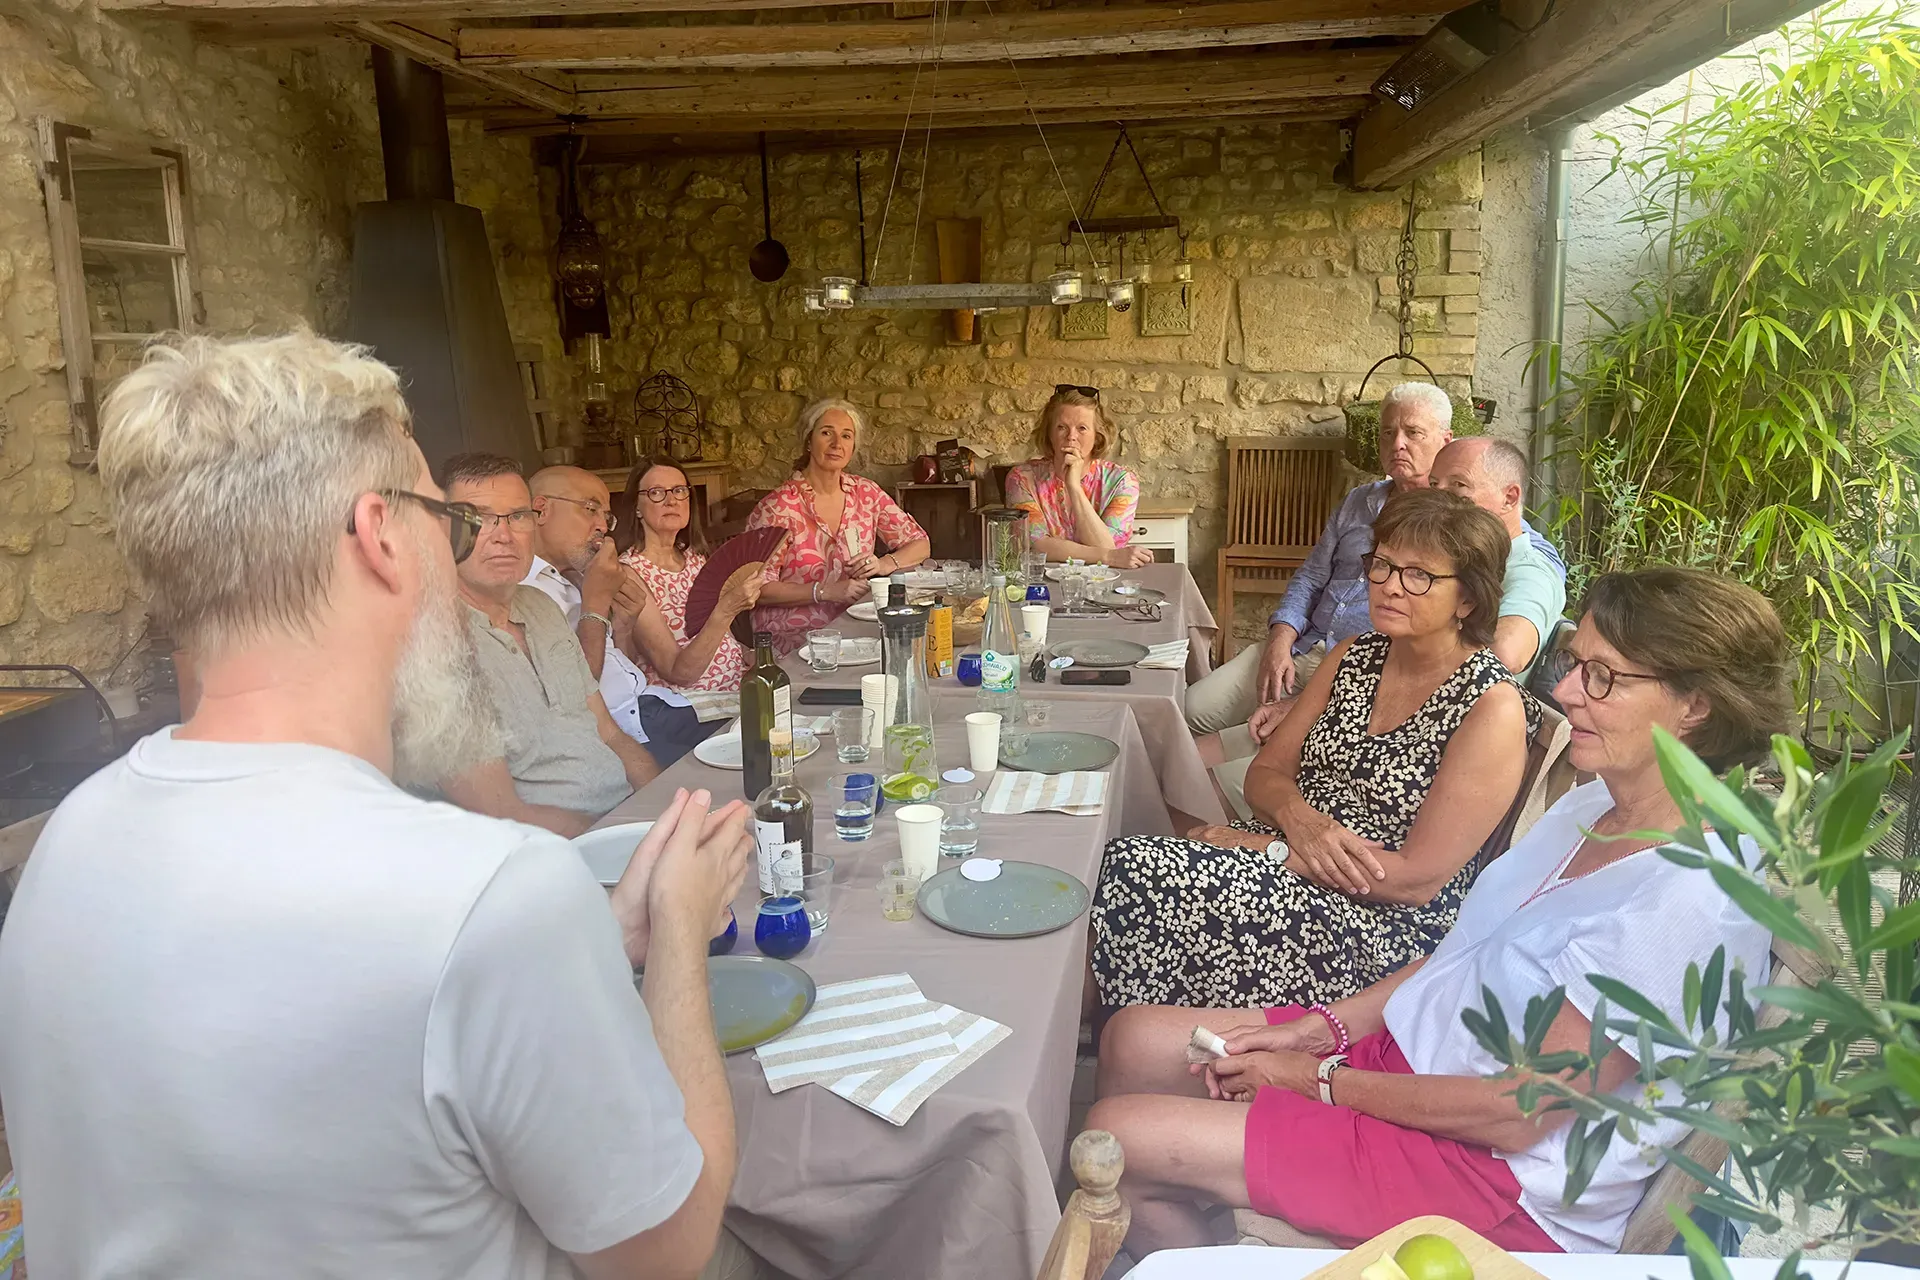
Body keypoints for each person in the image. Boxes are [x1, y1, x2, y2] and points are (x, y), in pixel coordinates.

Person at [0, 332, 753, 1278]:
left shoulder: (64, 849)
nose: (463, 546)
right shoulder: (494, 893)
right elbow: (666, 1251)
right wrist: (680, 933)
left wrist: (599, 932)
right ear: (380, 536)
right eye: (443, 513)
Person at [1085, 566, 1792, 1257]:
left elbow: (1516, 1114)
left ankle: (1236, 1242)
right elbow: (1465, 950)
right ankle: (1222, 1226)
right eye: (1576, 665)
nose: (1567, 692)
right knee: (1133, 1038)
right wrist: (1320, 1029)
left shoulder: (1691, 898)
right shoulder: (1595, 803)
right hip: (1409, 1065)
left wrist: (1321, 1082)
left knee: (1120, 1138)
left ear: (1695, 706)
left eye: (1603, 677)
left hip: (1493, 1177)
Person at [1091, 489, 1536, 1012]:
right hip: (1289, 863)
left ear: (1468, 599)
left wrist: (1275, 851)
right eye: (1383, 565)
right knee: (1121, 863)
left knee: (1136, 875)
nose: (1390, 587)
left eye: (1419, 576)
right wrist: (1298, 819)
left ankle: (1074, 1048)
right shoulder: (1354, 656)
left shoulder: (1490, 706)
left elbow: (1416, 881)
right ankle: (1094, 1039)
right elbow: (1265, 774)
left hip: (1374, 926)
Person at [1185, 383, 1563, 737]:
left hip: (1364, 688)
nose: (1398, 444)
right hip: (1309, 649)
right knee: (1190, 713)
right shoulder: (1359, 501)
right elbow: (1311, 575)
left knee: (1228, 757)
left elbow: (1496, 654)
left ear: (1444, 442)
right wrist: (1279, 638)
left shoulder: (1495, 553)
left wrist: (1310, 705)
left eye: (1413, 433)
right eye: (1388, 433)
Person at [440, 455, 658, 834]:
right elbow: (502, 817)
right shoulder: (436, 647)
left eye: (517, 516)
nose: (503, 535)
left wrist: (662, 808)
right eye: (477, 518)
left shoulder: (541, 607)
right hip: (561, 855)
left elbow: (609, 733)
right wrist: (627, 835)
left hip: (626, 822)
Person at [523, 462, 714, 767]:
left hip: (655, 707)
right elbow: (573, 694)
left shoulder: (572, 577)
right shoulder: (525, 592)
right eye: (590, 509)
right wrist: (596, 606)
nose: (601, 525)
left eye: (606, 516)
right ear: (541, 510)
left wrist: (622, 626)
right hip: (628, 732)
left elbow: (616, 666)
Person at [746, 398, 932, 653]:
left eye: (846, 436)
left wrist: (883, 564)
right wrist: (824, 591)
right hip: (792, 639)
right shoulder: (777, 508)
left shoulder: (865, 493)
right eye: (826, 433)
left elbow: (920, 544)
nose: (837, 444)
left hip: (857, 628)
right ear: (808, 441)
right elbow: (756, 589)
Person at [616, 458, 766, 698]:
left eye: (679, 490)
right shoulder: (629, 573)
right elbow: (679, 673)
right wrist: (726, 609)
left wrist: (747, 652)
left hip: (737, 685)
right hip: (690, 704)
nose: (672, 500)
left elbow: (719, 636)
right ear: (636, 507)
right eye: (656, 492)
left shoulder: (694, 557)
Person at [1429, 437, 1566, 678]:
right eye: (1433, 485)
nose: (1437, 498)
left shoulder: (1530, 571)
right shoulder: (1461, 556)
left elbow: (1506, 654)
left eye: (1458, 485)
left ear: (1509, 498)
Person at [1002, 384, 1154, 569]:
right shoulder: (1022, 478)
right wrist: (1106, 556)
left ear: (1097, 436)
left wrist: (1074, 487)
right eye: (1061, 427)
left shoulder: (1122, 481)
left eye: (1082, 428)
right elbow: (1036, 545)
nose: (1071, 437)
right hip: (1041, 586)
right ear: (1049, 434)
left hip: (1103, 586)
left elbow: (1108, 546)